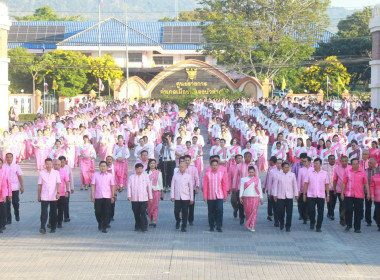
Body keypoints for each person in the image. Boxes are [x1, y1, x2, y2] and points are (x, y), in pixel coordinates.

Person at [341, 158, 370, 233]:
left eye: (357, 164)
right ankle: (348, 225)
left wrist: (368, 193)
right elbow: (344, 183)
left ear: (358, 164)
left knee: (358, 211)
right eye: (354, 164)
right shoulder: (347, 172)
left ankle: (357, 228)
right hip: (349, 194)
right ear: (351, 164)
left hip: (359, 195)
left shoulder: (362, 172)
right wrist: (342, 193)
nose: (355, 165)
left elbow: (366, 183)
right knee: (349, 210)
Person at [303, 158, 330, 232]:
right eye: (314, 163)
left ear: (320, 165)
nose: (315, 165)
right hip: (311, 195)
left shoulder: (324, 173)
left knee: (320, 212)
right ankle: (312, 221)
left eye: (317, 163)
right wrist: (304, 195)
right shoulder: (309, 172)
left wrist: (328, 195)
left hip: (321, 195)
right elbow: (306, 184)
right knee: (311, 210)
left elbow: (327, 184)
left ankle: (318, 226)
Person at [232, 151, 258, 225]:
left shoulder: (254, 166)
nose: (247, 158)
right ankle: (241, 216)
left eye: (249, 156)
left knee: (249, 204)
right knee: (241, 204)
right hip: (241, 188)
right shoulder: (239, 166)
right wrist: (234, 186)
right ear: (244, 157)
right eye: (246, 156)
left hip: (251, 189)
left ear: (251, 157)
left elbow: (257, 178)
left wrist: (257, 189)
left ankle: (249, 216)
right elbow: (235, 177)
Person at [203, 159, 228, 232]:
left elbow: (223, 185)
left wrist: (225, 195)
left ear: (218, 166)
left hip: (219, 195)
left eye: (216, 165)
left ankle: (219, 226)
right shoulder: (207, 174)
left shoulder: (221, 173)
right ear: (210, 166)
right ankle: (211, 226)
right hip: (210, 196)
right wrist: (205, 196)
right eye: (213, 165)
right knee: (211, 211)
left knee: (220, 210)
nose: (214, 166)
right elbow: (205, 186)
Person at [38, 158, 61, 234]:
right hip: (44, 196)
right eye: (47, 164)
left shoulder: (56, 173)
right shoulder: (42, 173)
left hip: (53, 196)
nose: (48, 165)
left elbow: (58, 183)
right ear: (45, 164)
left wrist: (58, 193)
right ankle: (42, 227)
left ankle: (53, 227)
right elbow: (39, 185)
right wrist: (39, 195)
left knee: (53, 212)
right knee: (44, 212)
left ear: (52, 164)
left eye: (50, 164)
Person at [91, 161, 115, 233]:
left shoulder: (110, 175)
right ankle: (100, 222)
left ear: (107, 167)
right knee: (97, 211)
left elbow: (112, 186)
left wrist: (113, 196)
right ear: (99, 167)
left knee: (106, 212)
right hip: (98, 196)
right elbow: (93, 185)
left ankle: (104, 226)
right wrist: (92, 195)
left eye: (104, 166)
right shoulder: (95, 175)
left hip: (107, 196)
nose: (103, 167)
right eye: (101, 166)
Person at [273, 162, 299, 232]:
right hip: (280, 196)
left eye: (288, 167)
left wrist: (296, 194)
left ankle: (288, 226)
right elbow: (275, 186)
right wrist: (275, 195)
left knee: (289, 212)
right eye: (285, 167)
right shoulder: (278, 175)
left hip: (289, 196)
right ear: (282, 168)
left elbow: (295, 185)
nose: (287, 169)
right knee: (280, 210)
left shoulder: (292, 175)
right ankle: (281, 222)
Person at [127, 163, 153, 232]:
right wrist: (129, 195)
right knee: (136, 213)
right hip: (134, 199)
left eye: (141, 169)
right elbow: (129, 187)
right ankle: (137, 224)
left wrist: (150, 197)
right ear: (135, 169)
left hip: (144, 198)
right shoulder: (131, 177)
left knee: (143, 212)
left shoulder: (145, 177)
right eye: (138, 169)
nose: (139, 170)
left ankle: (144, 226)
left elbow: (149, 188)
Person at [170, 162, 194, 232]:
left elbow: (191, 188)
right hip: (177, 197)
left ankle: (184, 226)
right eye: (180, 167)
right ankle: (178, 220)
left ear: (186, 167)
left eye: (182, 167)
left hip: (186, 197)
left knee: (185, 212)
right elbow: (172, 186)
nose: (181, 168)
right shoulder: (175, 175)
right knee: (176, 211)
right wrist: (172, 196)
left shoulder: (188, 176)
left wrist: (191, 198)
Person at [239, 166, 263, 232]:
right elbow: (241, 188)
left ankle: (252, 225)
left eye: (252, 172)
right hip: (246, 197)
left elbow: (259, 188)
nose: (251, 173)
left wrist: (261, 198)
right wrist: (240, 196)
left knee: (254, 212)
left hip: (255, 197)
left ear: (254, 172)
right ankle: (249, 224)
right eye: (250, 172)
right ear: (248, 172)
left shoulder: (257, 179)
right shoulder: (243, 179)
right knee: (247, 212)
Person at [3, 153, 24, 223]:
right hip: (6, 188)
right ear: (5, 158)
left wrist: (22, 186)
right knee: (7, 204)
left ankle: (16, 213)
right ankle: (8, 219)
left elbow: (20, 176)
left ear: (12, 158)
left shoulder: (16, 166)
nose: (9, 159)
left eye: (10, 157)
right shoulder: (3, 166)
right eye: (7, 157)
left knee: (15, 202)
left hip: (14, 187)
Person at [333, 155, 351, 227]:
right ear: (340, 162)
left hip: (349, 190)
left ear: (347, 161)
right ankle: (342, 219)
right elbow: (335, 180)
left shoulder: (350, 168)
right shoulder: (337, 168)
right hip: (340, 190)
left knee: (348, 205)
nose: (344, 162)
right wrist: (334, 189)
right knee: (342, 205)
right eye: (343, 161)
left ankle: (347, 218)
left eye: (345, 161)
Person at [145, 159, 163, 227]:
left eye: (154, 163)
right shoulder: (145, 173)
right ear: (149, 164)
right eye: (151, 163)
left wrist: (162, 193)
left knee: (155, 206)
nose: (152, 165)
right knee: (149, 206)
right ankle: (151, 218)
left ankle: (154, 220)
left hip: (156, 191)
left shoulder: (159, 173)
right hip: (147, 192)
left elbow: (160, 183)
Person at [53, 159, 70, 229]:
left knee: (60, 209)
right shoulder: (51, 172)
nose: (57, 166)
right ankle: (52, 222)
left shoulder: (64, 172)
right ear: (53, 165)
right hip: (53, 194)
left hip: (62, 194)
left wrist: (67, 191)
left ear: (61, 165)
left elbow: (67, 181)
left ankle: (59, 222)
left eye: (58, 165)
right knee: (53, 210)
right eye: (56, 164)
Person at [184, 155, 199, 226]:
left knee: (191, 205)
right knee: (184, 205)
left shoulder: (194, 169)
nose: (187, 162)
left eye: (188, 160)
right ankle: (184, 219)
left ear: (190, 161)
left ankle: (190, 219)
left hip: (192, 189)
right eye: (185, 160)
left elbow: (197, 178)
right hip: (183, 190)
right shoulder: (181, 169)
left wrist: (197, 187)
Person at [297, 156, 313, 224]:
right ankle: (303, 216)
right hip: (302, 190)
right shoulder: (301, 170)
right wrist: (298, 191)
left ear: (309, 162)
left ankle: (307, 216)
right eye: (303, 161)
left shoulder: (312, 169)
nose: (303, 162)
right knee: (301, 205)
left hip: (310, 191)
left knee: (309, 205)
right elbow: (299, 181)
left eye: (305, 161)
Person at [59, 156, 74, 222]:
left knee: (66, 203)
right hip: (59, 190)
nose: (62, 163)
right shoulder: (56, 168)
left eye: (63, 162)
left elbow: (71, 178)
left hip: (66, 189)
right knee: (59, 205)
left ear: (65, 161)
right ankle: (59, 218)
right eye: (61, 162)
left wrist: (72, 187)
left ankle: (66, 216)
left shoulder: (68, 168)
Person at [322, 154, 336, 220]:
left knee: (334, 202)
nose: (332, 160)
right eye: (331, 159)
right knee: (329, 201)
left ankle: (330, 212)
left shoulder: (337, 167)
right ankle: (331, 214)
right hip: (327, 187)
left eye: (333, 159)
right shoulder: (324, 167)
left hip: (335, 188)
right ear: (328, 160)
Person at [365, 158, 378, 226]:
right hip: (368, 192)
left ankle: (375, 216)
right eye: (369, 163)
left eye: (371, 163)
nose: (369, 164)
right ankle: (368, 220)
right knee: (368, 206)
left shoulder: (377, 171)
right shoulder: (365, 171)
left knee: (377, 206)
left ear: (375, 164)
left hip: (376, 192)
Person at [0, 159, 10, 232]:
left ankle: (1, 225)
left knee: (2, 211)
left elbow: (4, 185)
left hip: (1, 196)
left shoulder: (3, 172)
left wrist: (4, 195)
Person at [369, 164, 380, 231]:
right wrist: (372, 196)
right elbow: (372, 187)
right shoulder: (374, 177)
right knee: (377, 212)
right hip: (377, 198)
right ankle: (378, 222)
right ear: (378, 169)